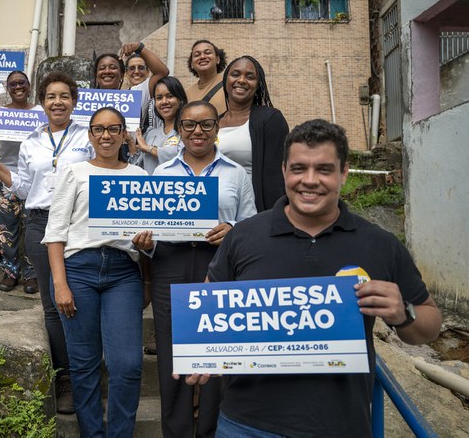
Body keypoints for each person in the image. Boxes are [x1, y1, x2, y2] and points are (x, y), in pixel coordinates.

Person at [197, 119, 442, 437]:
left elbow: (430, 325)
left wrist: (403, 312)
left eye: (324, 169)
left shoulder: (380, 244)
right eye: (299, 168)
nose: (309, 181)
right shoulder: (244, 236)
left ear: (344, 173)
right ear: (284, 170)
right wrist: (201, 353)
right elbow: (206, 307)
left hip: (340, 426)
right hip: (246, 424)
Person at [0, 72, 95, 414]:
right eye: (51, 96)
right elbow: (21, 187)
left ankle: (87, 372)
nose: (58, 102)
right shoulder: (31, 141)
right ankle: (64, 379)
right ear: (42, 103)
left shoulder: (89, 136)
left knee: (82, 298)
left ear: (74, 101)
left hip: (80, 224)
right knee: (52, 306)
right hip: (40, 224)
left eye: (64, 96)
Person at [151, 100, 256, 437]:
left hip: (220, 265)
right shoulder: (162, 173)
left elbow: (250, 225)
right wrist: (145, 242)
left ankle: (213, 431)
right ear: (179, 130)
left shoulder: (235, 173)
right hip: (170, 262)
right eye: (189, 125)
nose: (198, 131)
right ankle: (177, 431)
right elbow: (151, 227)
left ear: (217, 128)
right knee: (171, 355)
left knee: (217, 353)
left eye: (206, 124)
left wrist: (234, 231)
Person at [44, 107, 150, 437]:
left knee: (127, 364)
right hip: (78, 270)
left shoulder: (140, 177)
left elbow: (147, 236)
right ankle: (92, 433)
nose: (106, 135)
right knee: (84, 362)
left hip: (123, 273)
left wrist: (146, 247)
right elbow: (56, 231)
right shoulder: (74, 172)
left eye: (113, 129)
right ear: (90, 136)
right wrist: (60, 284)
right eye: (98, 130)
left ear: (124, 135)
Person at [218, 55, 289, 212]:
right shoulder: (212, 122)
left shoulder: (270, 119)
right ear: (226, 80)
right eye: (235, 74)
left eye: (250, 77)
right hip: (212, 214)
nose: (242, 80)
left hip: (250, 214)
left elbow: (276, 179)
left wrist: (273, 221)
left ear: (258, 85)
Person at [0, 70, 39, 293]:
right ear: (8, 89)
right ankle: (10, 272)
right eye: (12, 84)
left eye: (22, 83)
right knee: (6, 227)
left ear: (29, 86)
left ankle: (33, 275)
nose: (18, 87)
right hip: (5, 176)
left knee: (33, 227)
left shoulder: (41, 113)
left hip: (35, 178)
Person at [134, 76, 188, 174]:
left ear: (181, 100)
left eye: (170, 96)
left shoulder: (189, 131)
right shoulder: (150, 134)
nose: (164, 102)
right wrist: (130, 143)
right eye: (159, 98)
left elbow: (183, 155)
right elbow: (137, 168)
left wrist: (149, 149)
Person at [120, 42, 169, 132]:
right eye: (132, 68)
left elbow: (163, 72)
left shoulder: (160, 96)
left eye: (141, 68)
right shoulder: (123, 98)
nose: (136, 71)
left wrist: (139, 47)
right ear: (126, 73)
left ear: (148, 72)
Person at [184, 40, 228, 116]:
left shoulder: (229, 86)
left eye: (208, 53)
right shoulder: (186, 94)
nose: (202, 57)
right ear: (191, 64)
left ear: (218, 59)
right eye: (197, 55)